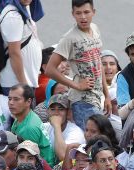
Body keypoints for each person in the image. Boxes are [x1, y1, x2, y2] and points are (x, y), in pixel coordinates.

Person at [44, 0, 111, 131]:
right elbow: (50, 69)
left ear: (93, 12)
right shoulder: (69, 38)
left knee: (101, 140)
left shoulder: (95, 29)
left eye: (86, 12)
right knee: (95, 141)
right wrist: (77, 85)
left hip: (98, 98)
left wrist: (107, 95)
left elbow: (98, 63)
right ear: (73, 14)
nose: (83, 17)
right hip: (82, 101)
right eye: (78, 13)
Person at [0, 0, 44, 92]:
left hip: (25, 81)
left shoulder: (23, 9)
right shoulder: (13, 16)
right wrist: (24, 85)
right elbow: (14, 53)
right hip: (16, 84)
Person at [9, 83, 57, 167]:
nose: (11, 103)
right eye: (9, 99)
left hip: (41, 169)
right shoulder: (22, 117)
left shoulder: (29, 128)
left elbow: (28, 159)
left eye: (16, 99)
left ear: (28, 102)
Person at [43, 93, 86, 164]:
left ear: (68, 112)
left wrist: (57, 126)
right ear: (47, 111)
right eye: (53, 109)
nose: (56, 113)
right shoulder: (45, 127)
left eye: (61, 109)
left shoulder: (75, 132)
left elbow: (63, 156)